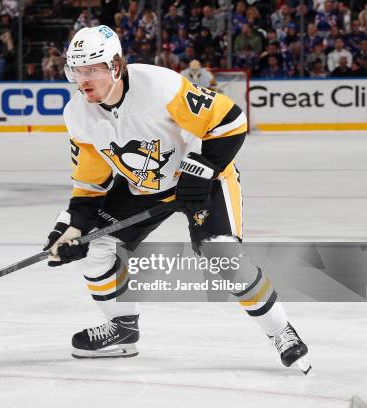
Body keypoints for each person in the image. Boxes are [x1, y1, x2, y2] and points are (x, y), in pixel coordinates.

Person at [44, 25, 311, 373]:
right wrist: (70, 228)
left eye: (92, 69)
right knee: (95, 250)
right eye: (77, 70)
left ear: (116, 66)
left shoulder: (160, 86)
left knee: (222, 253)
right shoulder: (79, 114)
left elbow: (230, 122)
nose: (83, 79)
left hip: (201, 179)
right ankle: (123, 330)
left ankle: (282, 332)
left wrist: (199, 173)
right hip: (143, 187)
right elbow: (91, 185)